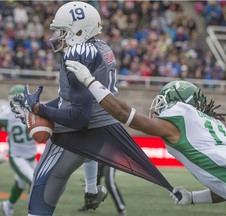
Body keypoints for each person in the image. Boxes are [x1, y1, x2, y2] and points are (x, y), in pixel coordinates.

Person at [10, 2, 174, 215]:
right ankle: (91, 188)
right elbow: (74, 100)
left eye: (63, 31)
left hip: (78, 133)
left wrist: (39, 109)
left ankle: (90, 188)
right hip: (101, 130)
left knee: (41, 191)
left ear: (79, 30)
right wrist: (36, 108)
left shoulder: (77, 52)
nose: (58, 36)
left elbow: (79, 117)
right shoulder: (102, 48)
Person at [65, 60, 226, 216]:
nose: (158, 108)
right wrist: (193, 198)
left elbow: (125, 115)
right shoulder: (212, 125)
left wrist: (91, 82)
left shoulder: (180, 114)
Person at [0, 84, 37, 216]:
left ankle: (7, 206)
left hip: (31, 156)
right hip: (17, 156)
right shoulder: (7, 113)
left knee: (21, 184)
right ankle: (34, 212)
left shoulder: (33, 110)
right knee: (35, 181)